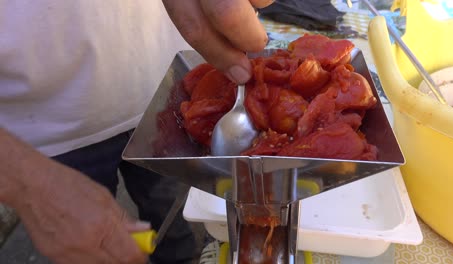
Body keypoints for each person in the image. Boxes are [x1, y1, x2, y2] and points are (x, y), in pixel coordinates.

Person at [0, 0, 273, 263]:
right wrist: (31, 185)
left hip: (163, 101)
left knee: (172, 221)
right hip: (47, 137)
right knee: (92, 247)